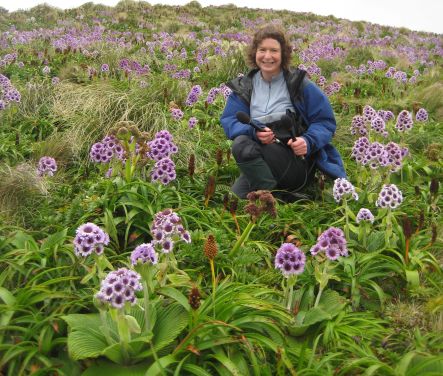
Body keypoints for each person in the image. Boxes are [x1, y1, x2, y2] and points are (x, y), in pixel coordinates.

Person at [220, 24, 346, 202]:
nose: (267, 56)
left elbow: (325, 122)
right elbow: (230, 120)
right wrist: (253, 132)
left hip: (295, 161)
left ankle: (274, 201)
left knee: (241, 146)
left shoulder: (300, 84)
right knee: (235, 199)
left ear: (283, 54)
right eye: (262, 50)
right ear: (254, 53)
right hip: (259, 155)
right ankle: (280, 197)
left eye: (274, 50)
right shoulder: (244, 87)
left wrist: (308, 141)